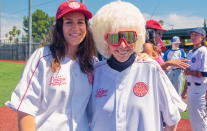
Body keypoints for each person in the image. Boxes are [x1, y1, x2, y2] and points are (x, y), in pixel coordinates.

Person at [87, 1, 186, 131]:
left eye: (129, 37)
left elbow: (172, 119)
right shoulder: (96, 73)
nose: (123, 45)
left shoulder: (150, 69)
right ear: (105, 42)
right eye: (115, 38)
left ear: (137, 38)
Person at [5, 1, 96, 130]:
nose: (75, 28)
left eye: (80, 22)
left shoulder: (92, 63)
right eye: (69, 22)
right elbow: (26, 110)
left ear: (86, 27)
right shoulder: (42, 57)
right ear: (60, 27)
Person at [182, 27, 207, 131]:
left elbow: (205, 73)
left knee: (200, 120)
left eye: (196, 35)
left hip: (200, 89)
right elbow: (187, 75)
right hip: (191, 89)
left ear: (203, 37)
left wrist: (189, 72)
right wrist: (184, 90)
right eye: (192, 35)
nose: (193, 37)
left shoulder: (204, 51)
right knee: (194, 119)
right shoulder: (191, 52)